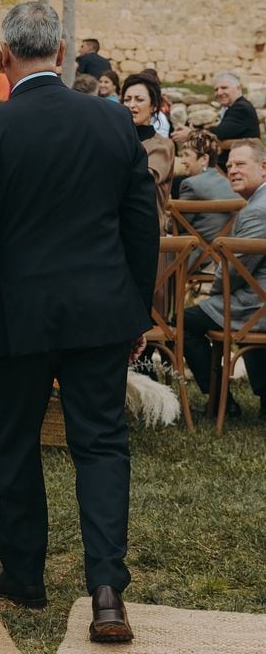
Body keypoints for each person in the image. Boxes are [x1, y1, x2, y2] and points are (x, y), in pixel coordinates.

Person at [0, 2, 158, 643]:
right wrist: (137, 308)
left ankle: (23, 575)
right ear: (61, 51)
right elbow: (140, 221)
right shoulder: (112, 120)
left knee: (15, 443)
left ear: (6, 57)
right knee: (101, 444)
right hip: (100, 311)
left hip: (19, 317)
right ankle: (106, 591)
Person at [182, 139, 266, 422]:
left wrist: (214, 293)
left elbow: (235, 270)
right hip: (258, 299)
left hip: (257, 306)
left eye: (241, 164)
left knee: (184, 322)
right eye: (229, 165)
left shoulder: (257, 211)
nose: (232, 170)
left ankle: (221, 402)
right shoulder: (257, 202)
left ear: (264, 168)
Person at [121, 72, 175, 233]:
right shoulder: (115, 140)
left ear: (153, 106)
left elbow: (144, 178)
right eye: (127, 99)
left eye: (139, 99)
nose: (131, 105)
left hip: (146, 231)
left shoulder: (162, 146)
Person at [172, 72, 260, 169]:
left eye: (224, 88)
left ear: (238, 88)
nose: (219, 92)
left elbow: (219, 133)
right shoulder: (233, 107)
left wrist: (192, 133)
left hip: (238, 168)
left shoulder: (241, 108)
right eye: (216, 89)